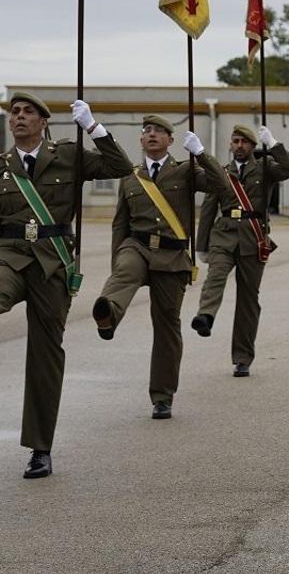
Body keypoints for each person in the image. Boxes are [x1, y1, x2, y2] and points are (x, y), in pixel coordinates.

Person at [0, 93, 132, 479]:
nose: (18, 118)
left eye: (26, 112)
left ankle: (40, 447)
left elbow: (120, 166)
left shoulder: (67, 154)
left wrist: (93, 127)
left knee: (45, 352)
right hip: (10, 252)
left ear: (43, 121)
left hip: (53, 260)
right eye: (14, 113)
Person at [92, 116, 231, 420]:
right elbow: (120, 224)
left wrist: (202, 153)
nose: (152, 135)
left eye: (159, 131)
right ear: (141, 141)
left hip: (171, 256)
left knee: (167, 325)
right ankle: (108, 314)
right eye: (147, 132)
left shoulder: (186, 170)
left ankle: (162, 395)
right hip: (137, 246)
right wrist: (116, 258)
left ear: (170, 140)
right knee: (124, 271)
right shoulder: (131, 177)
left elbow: (223, 186)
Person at [191, 123, 289, 377]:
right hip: (224, 235)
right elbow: (208, 208)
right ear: (230, 144)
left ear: (252, 146)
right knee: (215, 276)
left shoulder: (264, 169)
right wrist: (202, 245)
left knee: (248, 301)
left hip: (253, 238)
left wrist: (273, 145)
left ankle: (242, 357)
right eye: (235, 141)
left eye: (245, 142)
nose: (239, 146)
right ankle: (205, 316)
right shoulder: (222, 172)